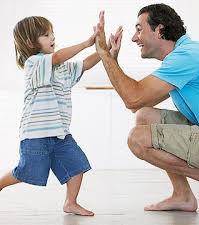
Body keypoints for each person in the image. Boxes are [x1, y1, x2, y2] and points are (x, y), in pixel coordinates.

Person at [95, 4, 199, 221]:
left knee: (137, 139)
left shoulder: (186, 57)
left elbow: (132, 98)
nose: (135, 39)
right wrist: (113, 60)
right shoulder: (185, 54)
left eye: (139, 29)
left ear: (159, 30)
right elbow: (138, 105)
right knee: (144, 116)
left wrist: (104, 55)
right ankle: (182, 195)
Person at [0, 16, 121, 216]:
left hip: (60, 133)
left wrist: (105, 48)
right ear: (30, 43)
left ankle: (70, 202)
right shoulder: (35, 63)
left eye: (52, 33)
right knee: (27, 171)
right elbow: (56, 58)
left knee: (77, 165)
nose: (52, 37)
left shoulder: (62, 68)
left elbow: (85, 64)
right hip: (35, 134)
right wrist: (86, 43)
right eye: (46, 35)